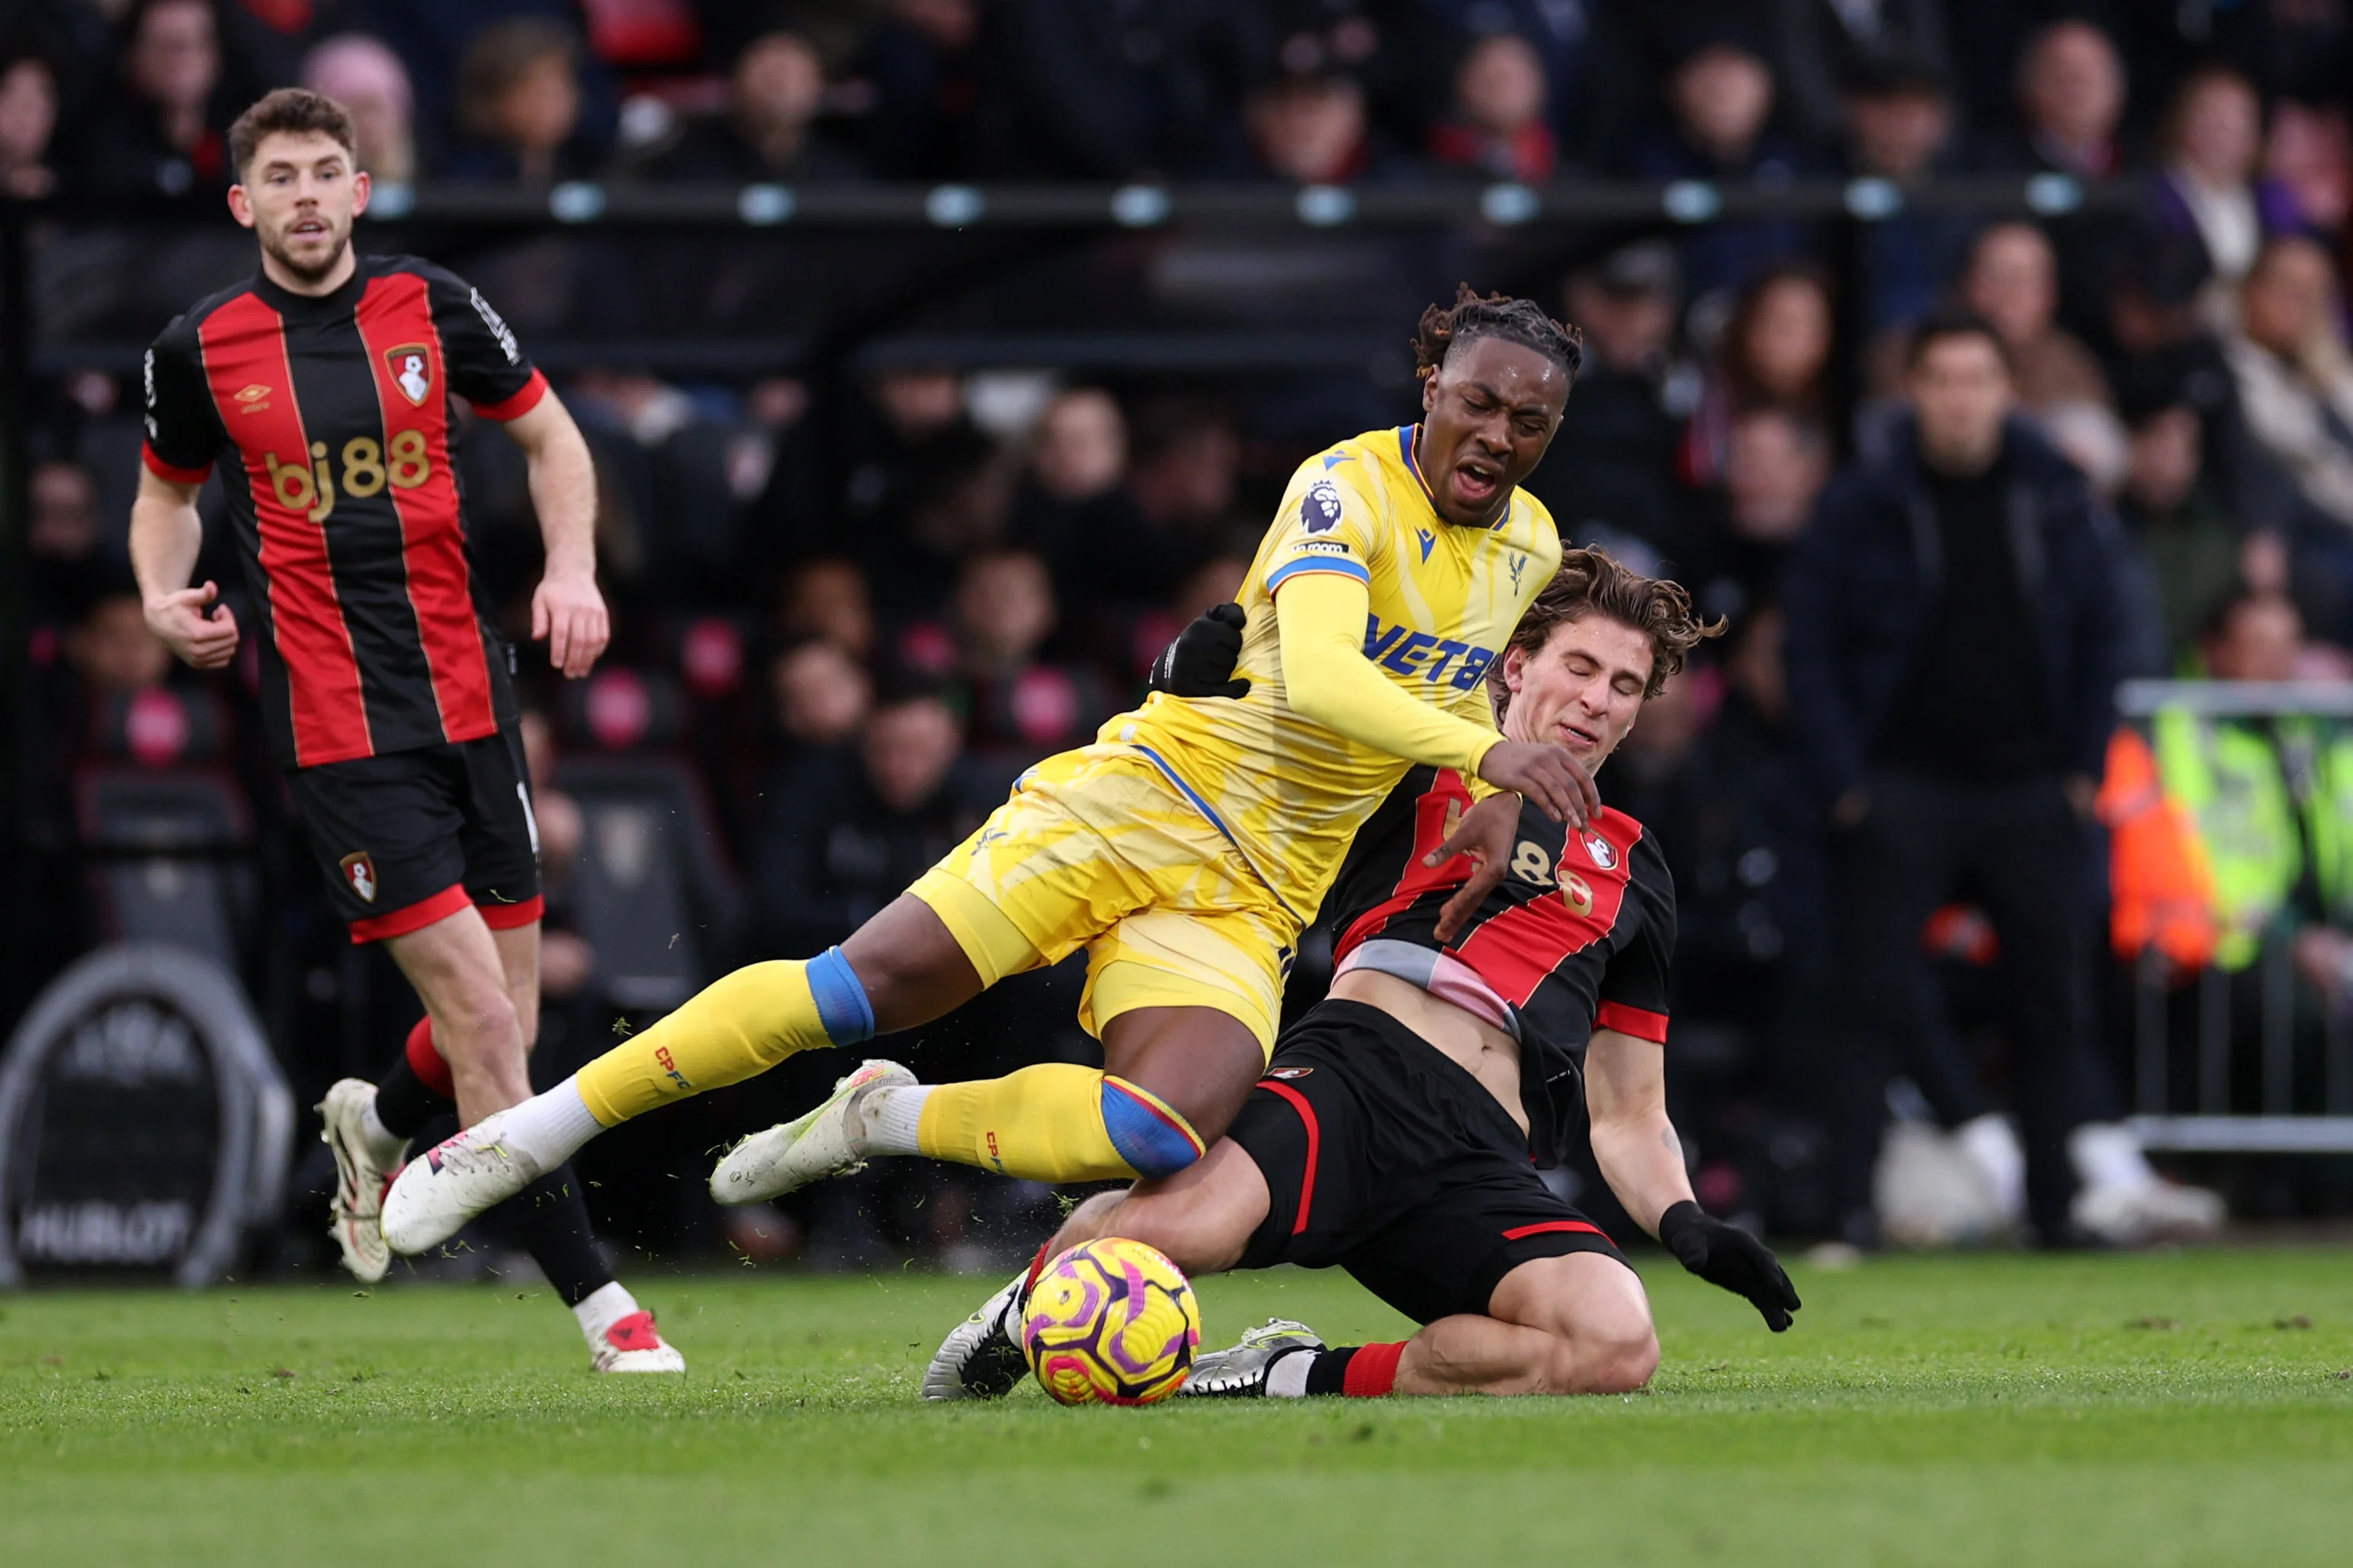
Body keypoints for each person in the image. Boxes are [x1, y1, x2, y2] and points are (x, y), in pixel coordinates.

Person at [379, 287, 1597, 1259]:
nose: (1496, 435)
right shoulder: (1345, 486)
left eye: (1528, 421)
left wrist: (1486, 795)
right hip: (1145, 803)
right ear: (1430, 385)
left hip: (1257, 893)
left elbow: (1448, 697)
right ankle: (520, 1139)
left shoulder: (1530, 545)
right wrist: (1497, 756)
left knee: (1162, 1130)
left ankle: (884, 1118)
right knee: (855, 991)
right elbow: (1329, 675)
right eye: (1478, 402)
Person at [929, 550, 1793, 1402]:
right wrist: (1176, 684)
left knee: (1611, 1341)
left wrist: (1684, 1222)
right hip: (1356, 1077)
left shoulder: (1634, 867)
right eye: (1580, 666)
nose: (1596, 699)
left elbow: (1629, 1108)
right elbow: (1268, 725)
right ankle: (1018, 1311)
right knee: (1164, 1233)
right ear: (1517, 663)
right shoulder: (1409, 761)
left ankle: (1278, 1373)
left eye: (1623, 685)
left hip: (1480, 1157)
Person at [129, 88, 679, 1373]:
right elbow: (164, 497)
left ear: (362, 190)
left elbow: (550, 437)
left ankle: (376, 1126)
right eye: (283, 177)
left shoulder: (432, 305)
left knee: (507, 1026)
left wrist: (573, 570)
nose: (309, 196)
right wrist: (163, 598)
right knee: (489, 1037)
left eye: (329, 171)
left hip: (475, 701)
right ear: (244, 203)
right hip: (337, 725)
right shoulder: (197, 349)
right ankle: (615, 1318)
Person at [1781, 309, 2134, 1250]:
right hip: (1902, 785)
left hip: (2031, 785)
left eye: (1976, 378)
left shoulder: (2054, 490)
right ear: (1915, 391)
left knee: (2051, 1004)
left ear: (2004, 388)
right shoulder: (1862, 499)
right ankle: (1842, 1210)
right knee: (1862, 998)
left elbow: (2106, 627)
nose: (1959, 398)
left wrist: (2080, 768)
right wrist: (1846, 782)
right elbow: (1807, 643)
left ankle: (2056, 1211)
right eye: (1940, 379)